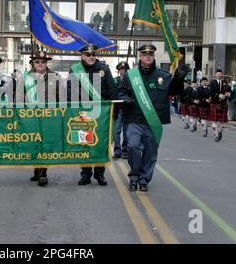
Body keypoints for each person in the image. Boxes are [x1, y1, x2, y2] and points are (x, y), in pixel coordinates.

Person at [118, 44, 189, 192]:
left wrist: (178, 79)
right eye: (144, 54)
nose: (148, 56)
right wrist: (125, 98)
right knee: (133, 147)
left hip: (153, 121)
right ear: (140, 56)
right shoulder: (130, 76)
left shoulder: (163, 76)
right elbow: (120, 92)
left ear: (154, 56)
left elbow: (175, 91)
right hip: (134, 119)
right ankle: (134, 176)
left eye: (150, 54)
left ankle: (144, 179)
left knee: (150, 152)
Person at [68, 44, 115, 186]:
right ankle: (85, 174)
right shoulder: (75, 70)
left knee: (100, 143)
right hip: (81, 113)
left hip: (101, 113)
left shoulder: (104, 69)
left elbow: (111, 89)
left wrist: (114, 110)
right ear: (82, 56)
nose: (91, 57)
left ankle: (99, 174)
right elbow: (70, 91)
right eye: (88, 55)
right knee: (84, 142)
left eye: (93, 54)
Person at [21, 50, 62, 186]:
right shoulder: (24, 77)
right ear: (33, 62)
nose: (40, 64)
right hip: (30, 116)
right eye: (37, 61)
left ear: (46, 63)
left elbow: (61, 97)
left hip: (48, 118)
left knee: (44, 144)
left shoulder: (55, 77)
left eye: (43, 62)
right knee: (33, 143)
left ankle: (43, 173)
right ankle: (36, 169)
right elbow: (17, 96)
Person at [113, 61, 130, 159]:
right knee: (116, 132)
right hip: (118, 109)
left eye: (124, 69)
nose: (122, 71)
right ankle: (117, 150)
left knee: (127, 132)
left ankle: (125, 150)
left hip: (128, 109)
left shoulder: (131, 80)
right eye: (121, 69)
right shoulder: (115, 81)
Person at [209, 69, 231, 142]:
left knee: (223, 121)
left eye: (220, 73)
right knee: (214, 121)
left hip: (223, 103)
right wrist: (218, 95)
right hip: (214, 103)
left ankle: (220, 131)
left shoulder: (225, 82)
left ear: (222, 75)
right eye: (218, 73)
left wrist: (228, 94)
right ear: (215, 75)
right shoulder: (212, 83)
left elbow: (229, 91)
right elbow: (211, 92)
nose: (219, 75)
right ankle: (216, 135)